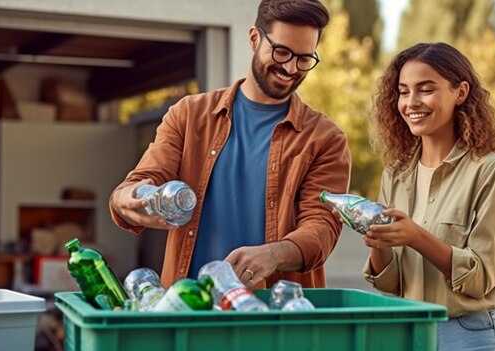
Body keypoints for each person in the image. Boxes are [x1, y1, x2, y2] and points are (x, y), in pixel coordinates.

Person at [109, 0, 351, 290]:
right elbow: (143, 181)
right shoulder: (189, 115)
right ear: (254, 38)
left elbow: (322, 227)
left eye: (303, 59)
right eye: (282, 52)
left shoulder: (325, 139)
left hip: (276, 314)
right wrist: (124, 199)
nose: (291, 68)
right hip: (188, 308)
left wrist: (275, 254)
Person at [361, 42, 495, 350]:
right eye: (403, 92)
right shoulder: (396, 174)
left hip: (470, 335)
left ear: (460, 92)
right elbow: (392, 284)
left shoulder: (489, 171)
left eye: (426, 89)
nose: (411, 102)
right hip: (410, 333)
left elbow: (482, 278)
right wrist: (379, 244)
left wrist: (415, 236)